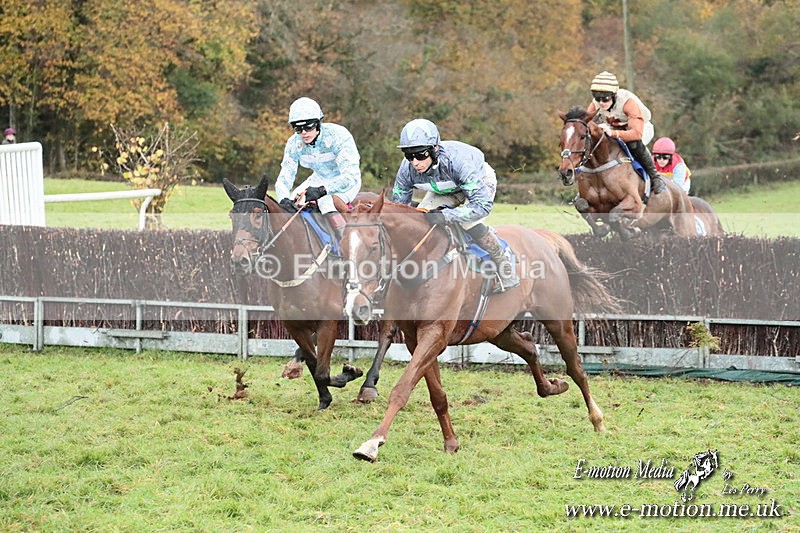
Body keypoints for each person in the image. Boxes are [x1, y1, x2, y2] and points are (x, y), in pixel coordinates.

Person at [392, 118, 520, 293]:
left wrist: (446, 215)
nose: (415, 162)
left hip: (478, 181)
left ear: (434, 149)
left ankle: (504, 264)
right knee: (422, 218)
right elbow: (399, 208)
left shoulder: (458, 162)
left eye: (421, 155)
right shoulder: (406, 169)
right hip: (444, 188)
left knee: (467, 221)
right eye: (409, 155)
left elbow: (481, 206)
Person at [274, 97, 361, 240]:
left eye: (308, 127)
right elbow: (284, 178)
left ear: (318, 123)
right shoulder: (293, 143)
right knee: (291, 203)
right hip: (319, 178)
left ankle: (346, 241)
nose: (303, 133)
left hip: (346, 180)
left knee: (325, 201)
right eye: (298, 128)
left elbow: (349, 177)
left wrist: (322, 190)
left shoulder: (338, 135)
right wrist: (283, 199)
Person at [586, 71, 666, 195]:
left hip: (640, 128)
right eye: (597, 98)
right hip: (615, 127)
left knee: (633, 144)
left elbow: (636, 134)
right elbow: (585, 123)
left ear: (613, 95)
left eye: (605, 98)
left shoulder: (628, 103)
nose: (601, 103)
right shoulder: (596, 103)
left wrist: (612, 133)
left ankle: (655, 178)